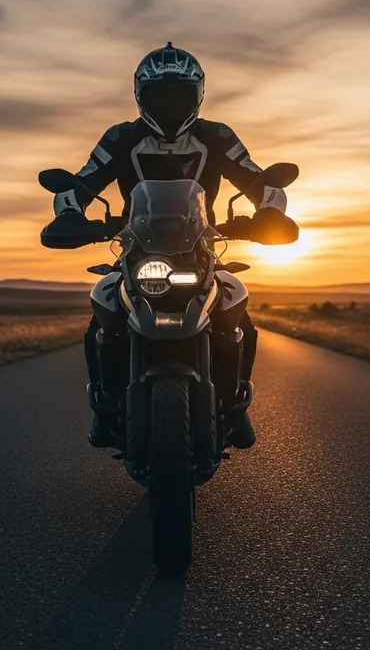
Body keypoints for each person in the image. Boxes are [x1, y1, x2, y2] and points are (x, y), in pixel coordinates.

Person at [42, 42, 298, 449]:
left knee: (236, 312)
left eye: (179, 94)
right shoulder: (121, 137)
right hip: (137, 247)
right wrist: (71, 213)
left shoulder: (217, 135)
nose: (169, 104)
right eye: (159, 95)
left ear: (198, 94)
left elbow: (257, 178)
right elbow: (82, 181)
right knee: (103, 314)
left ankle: (235, 407)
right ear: (140, 95)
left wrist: (268, 212)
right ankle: (105, 409)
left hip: (200, 247)